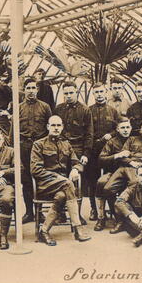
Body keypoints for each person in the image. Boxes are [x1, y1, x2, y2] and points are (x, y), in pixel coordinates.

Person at [30, 115, 91, 246]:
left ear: (62, 127)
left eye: (58, 126)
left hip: (62, 187)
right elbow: (35, 170)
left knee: (62, 196)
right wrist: (57, 177)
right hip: (45, 185)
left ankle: (44, 231)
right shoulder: (38, 144)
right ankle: (77, 227)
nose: (56, 128)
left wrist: (75, 169)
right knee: (68, 184)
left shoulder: (66, 144)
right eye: (53, 125)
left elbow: (77, 162)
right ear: (47, 127)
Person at [54, 81, 93, 223]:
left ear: (76, 92)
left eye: (71, 93)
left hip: (77, 149)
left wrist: (86, 154)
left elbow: (89, 134)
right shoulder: (58, 109)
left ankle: (76, 214)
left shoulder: (85, 110)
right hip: (61, 148)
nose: (69, 96)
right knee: (60, 178)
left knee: (77, 182)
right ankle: (60, 213)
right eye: (66, 93)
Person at [19, 77, 52, 223]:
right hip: (24, 147)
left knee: (40, 178)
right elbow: (13, 132)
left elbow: (50, 128)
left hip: (40, 148)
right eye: (28, 88)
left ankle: (40, 212)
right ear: (24, 90)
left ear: (37, 90)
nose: (31, 91)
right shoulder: (18, 107)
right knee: (25, 180)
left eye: (33, 88)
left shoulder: (45, 107)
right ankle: (29, 212)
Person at [87, 82, 121, 221]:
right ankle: (94, 210)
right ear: (93, 94)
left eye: (101, 91)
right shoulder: (88, 110)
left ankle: (113, 209)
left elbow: (118, 128)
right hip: (94, 151)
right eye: (96, 92)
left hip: (109, 152)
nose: (99, 95)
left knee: (109, 180)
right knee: (93, 181)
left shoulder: (113, 111)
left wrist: (111, 135)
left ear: (106, 92)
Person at [94, 116, 132, 231]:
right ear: (118, 130)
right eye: (123, 128)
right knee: (101, 182)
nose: (126, 130)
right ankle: (101, 217)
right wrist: (117, 156)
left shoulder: (136, 140)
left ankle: (128, 218)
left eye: (127, 127)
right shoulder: (112, 142)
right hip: (113, 172)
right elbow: (101, 159)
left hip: (131, 173)